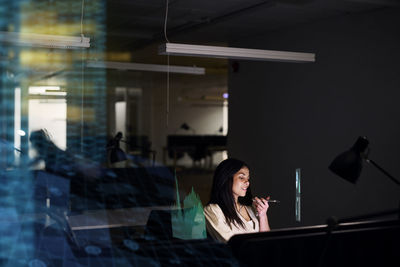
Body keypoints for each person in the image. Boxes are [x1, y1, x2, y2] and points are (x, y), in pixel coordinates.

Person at [203, 158, 271, 242]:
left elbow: (267, 240)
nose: (247, 182)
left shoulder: (251, 207)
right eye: (242, 177)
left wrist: (263, 215)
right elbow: (233, 245)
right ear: (226, 179)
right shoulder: (213, 210)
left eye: (248, 179)